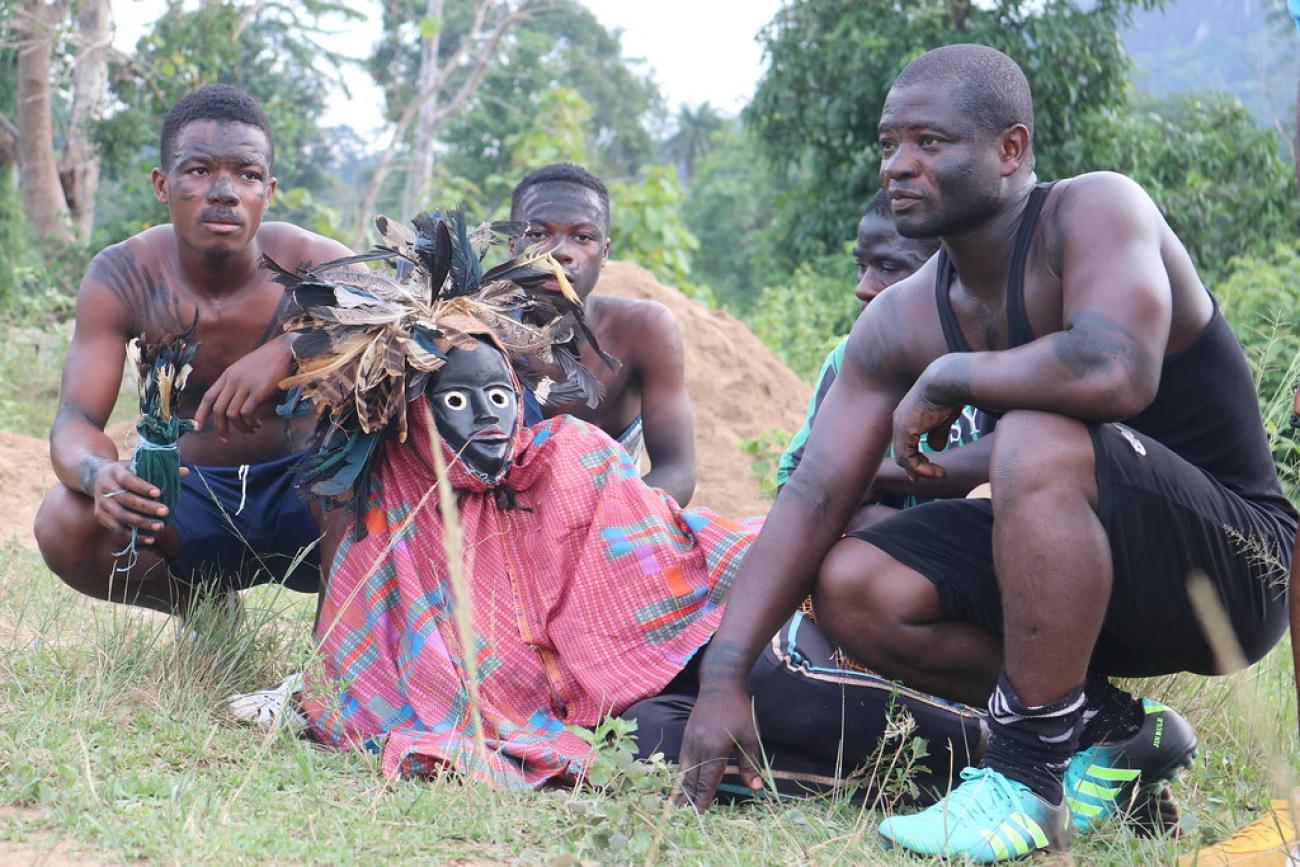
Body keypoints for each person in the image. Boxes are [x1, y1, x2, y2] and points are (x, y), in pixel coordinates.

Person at [676, 44, 1292, 862]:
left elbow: (1117, 370)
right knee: (853, 577)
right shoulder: (899, 317)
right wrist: (725, 676)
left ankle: (1026, 779)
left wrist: (954, 371)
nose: (899, 164)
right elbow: (814, 491)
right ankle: (1109, 731)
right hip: (1081, 582)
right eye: (890, 143)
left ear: (1011, 149)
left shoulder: (1096, 212)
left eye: (929, 142)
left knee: (1035, 436)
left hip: (1237, 572)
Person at [277, 211, 986, 797]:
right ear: (414, 412)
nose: (489, 419)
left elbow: (673, 564)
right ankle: (935, 768)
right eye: (458, 401)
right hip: (614, 713)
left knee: (786, 689)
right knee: (647, 748)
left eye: (499, 397)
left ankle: (1013, 742)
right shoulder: (400, 518)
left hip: (708, 647)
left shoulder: (572, 457)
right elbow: (358, 670)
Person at [34, 84, 353, 615]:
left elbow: (410, 323)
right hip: (190, 500)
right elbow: (75, 418)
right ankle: (204, 608)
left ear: (268, 191)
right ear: (163, 183)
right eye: (199, 170)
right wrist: (98, 475)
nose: (224, 191)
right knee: (63, 522)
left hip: (313, 496)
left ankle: (339, 647)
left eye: (247, 175)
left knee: (397, 488)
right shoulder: (126, 274)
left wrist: (290, 349)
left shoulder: (315, 262)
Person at [776, 190, 993, 531]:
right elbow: (794, 480)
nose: (863, 287)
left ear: (951, 271)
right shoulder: (847, 359)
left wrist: (869, 473)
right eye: (861, 266)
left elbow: (1003, 458)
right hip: (883, 548)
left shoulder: (996, 357)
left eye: (889, 266)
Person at [509, 163, 696, 505]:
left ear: (604, 252)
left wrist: (596, 526)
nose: (559, 252)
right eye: (537, 234)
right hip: (493, 529)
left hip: (609, 522)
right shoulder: (472, 332)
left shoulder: (642, 331)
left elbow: (677, 470)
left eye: (582, 237)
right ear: (512, 244)